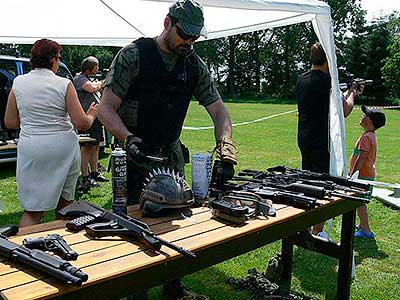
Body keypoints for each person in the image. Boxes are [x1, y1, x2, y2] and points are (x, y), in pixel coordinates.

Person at [98, 1, 237, 299]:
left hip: (171, 155)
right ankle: (136, 290)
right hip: (135, 155)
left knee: (177, 220)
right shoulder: (134, 56)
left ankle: (173, 286)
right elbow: (105, 109)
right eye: (185, 35)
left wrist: (226, 149)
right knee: (135, 226)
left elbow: (219, 111)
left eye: (195, 37)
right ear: (167, 23)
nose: (190, 42)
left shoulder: (194, 65)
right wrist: (127, 139)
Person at [4, 38, 98, 227]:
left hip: (32, 147)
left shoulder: (18, 82)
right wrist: (92, 114)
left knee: (32, 212)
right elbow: (82, 123)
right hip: (63, 147)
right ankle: (60, 249)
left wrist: (33, 118)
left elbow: (10, 122)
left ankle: (24, 253)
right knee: (65, 207)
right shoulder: (64, 84)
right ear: (54, 59)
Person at [296, 42, 362, 238]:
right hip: (321, 141)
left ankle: (306, 225)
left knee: (307, 182)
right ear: (327, 59)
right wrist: (352, 94)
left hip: (305, 138)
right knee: (324, 185)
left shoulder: (302, 79)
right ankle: (318, 231)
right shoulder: (327, 82)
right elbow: (346, 110)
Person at [349, 105, 386, 238]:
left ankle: (366, 230)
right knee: (360, 201)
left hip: (362, 175)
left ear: (369, 122)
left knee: (360, 202)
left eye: (365, 116)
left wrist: (353, 175)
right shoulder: (370, 135)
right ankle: (362, 224)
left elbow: (361, 158)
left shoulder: (366, 137)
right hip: (366, 174)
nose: (362, 117)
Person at [73, 56, 108, 193]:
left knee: (95, 146)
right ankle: (85, 177)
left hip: (95, 117)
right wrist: (103, 81)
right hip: (86, 117)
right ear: (90, 67)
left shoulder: (88, 78)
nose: (98, 69)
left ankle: (94, 173)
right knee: (86, 147)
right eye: (96, 66)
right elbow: (92, 88)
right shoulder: (79, 79)